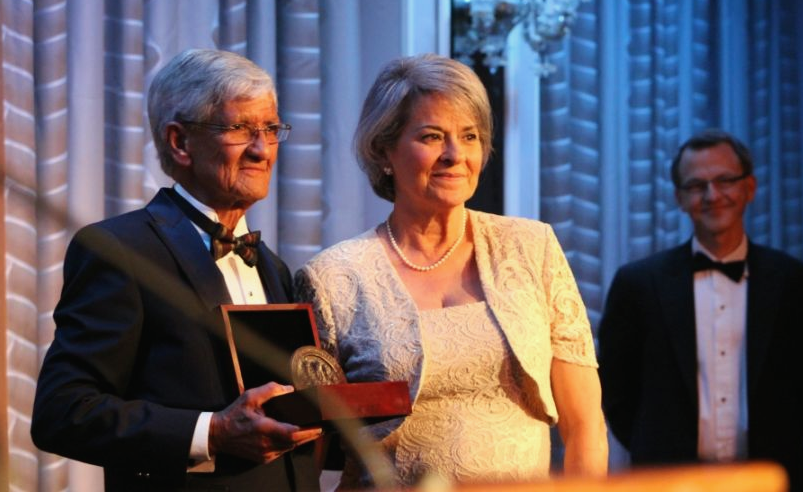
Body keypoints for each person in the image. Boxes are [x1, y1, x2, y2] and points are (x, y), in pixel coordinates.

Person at [294, 53, 608, 489]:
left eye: (470, 136)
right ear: (384, 149)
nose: (455, 155)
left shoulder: (532, 248)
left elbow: (585, 427)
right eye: (432, 136)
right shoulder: (331, 278)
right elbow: (310, 448)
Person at [31, 49, 322, 491]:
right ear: (179, 142)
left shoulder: (274, 267)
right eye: (240, 128)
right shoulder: (119, 250)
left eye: (270, 128)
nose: (263, 149)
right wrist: (215, 432)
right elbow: (64, 411)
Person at [598, 129, 803, 491]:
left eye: (725, 180)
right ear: (679, 197)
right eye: (696, 185)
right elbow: (617, 393)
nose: (712, 195)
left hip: (776, 478)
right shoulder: (638, 284)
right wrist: (657, 453)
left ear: (749, 188)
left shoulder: (792, 281)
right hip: (671, 482)